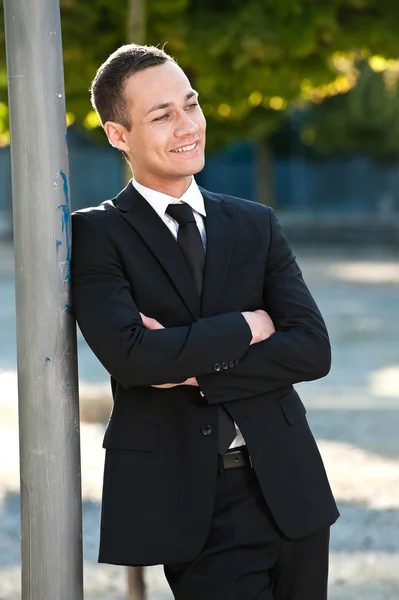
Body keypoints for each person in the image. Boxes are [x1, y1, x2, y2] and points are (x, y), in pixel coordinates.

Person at [71, 43, 339, 600]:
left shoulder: (254, 223)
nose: (187, 125)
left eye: (190, 105)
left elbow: (312, 349)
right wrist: (246, 325)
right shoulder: (96, 235)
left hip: (290, 488)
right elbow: (132, 357)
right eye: (161, 115)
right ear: (119, 135)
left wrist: (192, 367)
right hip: (192, 501)